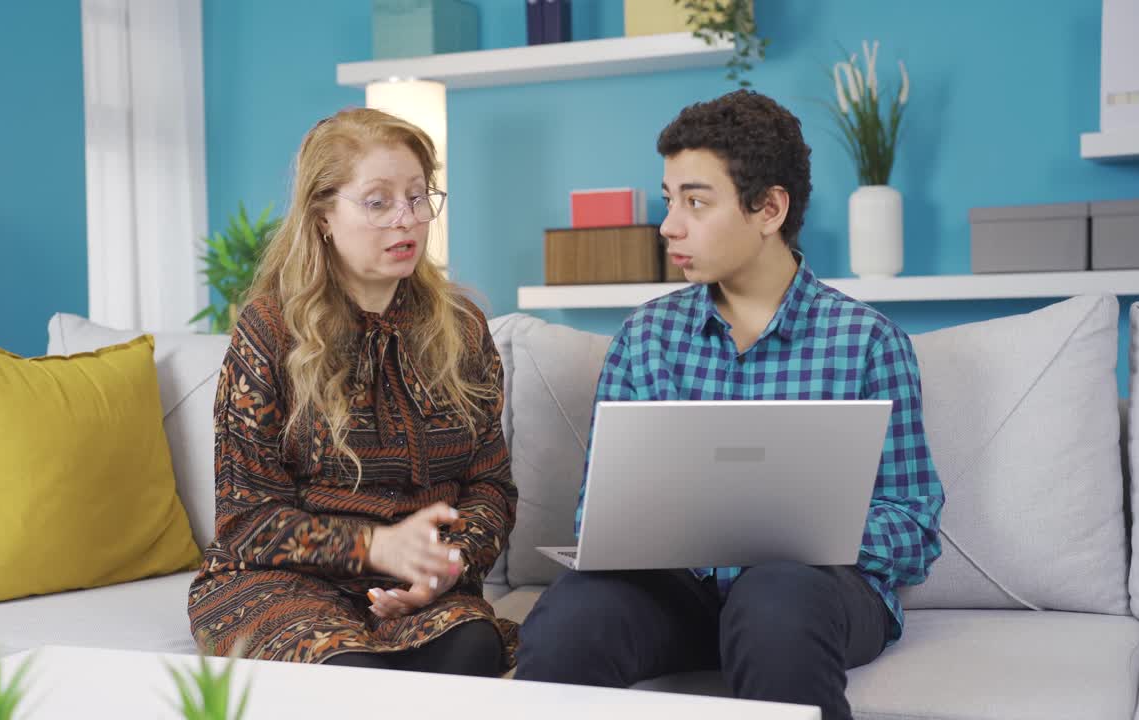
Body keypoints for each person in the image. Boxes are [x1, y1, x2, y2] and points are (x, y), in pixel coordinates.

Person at [515, 90, 944, 719]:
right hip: (679, 593)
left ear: (769, 207)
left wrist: (793, 530)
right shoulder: (646, 337)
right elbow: (594, 511)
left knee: (775, 596)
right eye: (669, 201)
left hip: (813, 595)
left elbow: (914, 528)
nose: (669, 226)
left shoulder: (868, 342)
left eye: (696, 201)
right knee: (569, 616)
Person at [188, 107, 517, 676]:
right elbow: (247, 522)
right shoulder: (269, 331)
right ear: (323, 216)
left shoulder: (463, 329)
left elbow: (490, 485)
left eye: (419, 198)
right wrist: (372, 546)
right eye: (378, 201)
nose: (407, 220)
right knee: (349, 669)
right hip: (278, 582)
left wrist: (445, 565)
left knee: (474, 649)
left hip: (413, 590)